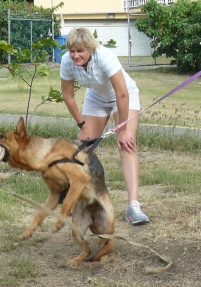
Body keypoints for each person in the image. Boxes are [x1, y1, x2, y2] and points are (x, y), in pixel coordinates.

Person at [60, 27, 149, 226]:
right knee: (84, 149)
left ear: (90, 49)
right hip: (96, 98)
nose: (75, 55)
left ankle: (133, 207)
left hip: (124, 96)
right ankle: (83, 200)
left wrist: (123, 130)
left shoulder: (105, 57)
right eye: (72, 50)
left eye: (80, 51)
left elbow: (122, 94)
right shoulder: (67, 61)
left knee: (127, 145)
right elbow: (68, 96)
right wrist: (82, 125)